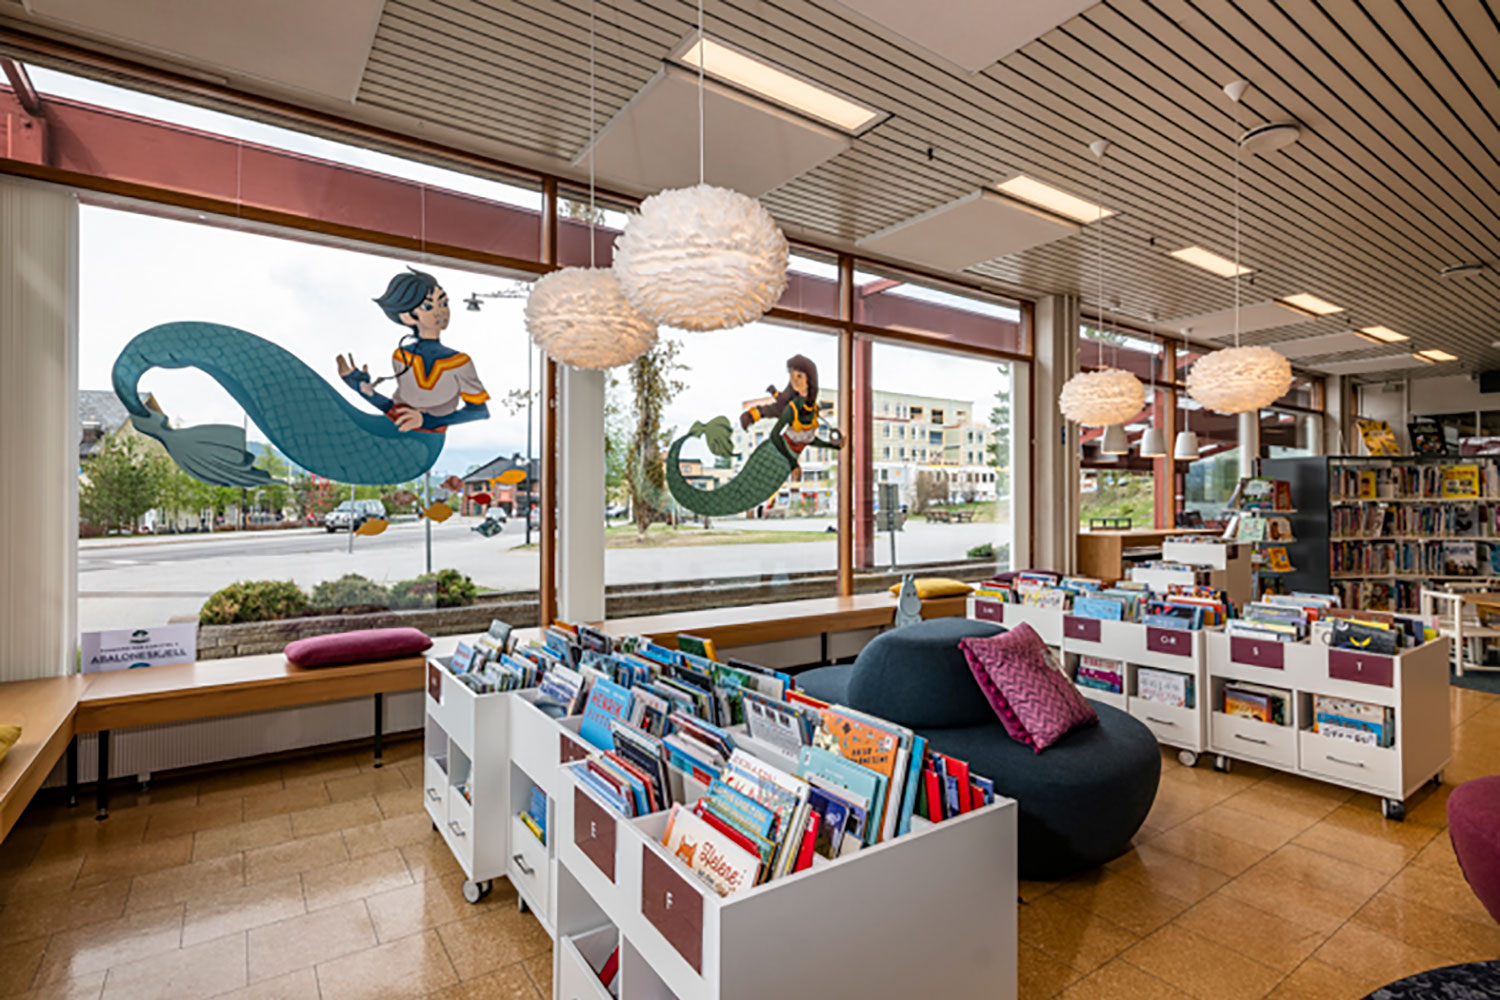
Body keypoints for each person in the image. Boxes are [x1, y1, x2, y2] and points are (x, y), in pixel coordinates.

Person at [336, 268, 490, 434]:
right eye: (428, 306)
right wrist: (361, 388)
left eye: (443, 303)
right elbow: (394, 409)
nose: (440, 312)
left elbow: (479, 411)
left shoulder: (460, 362)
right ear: (407, 316)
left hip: (427, 439)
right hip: (394, 429)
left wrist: (425, 421)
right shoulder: (401, 356)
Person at [738, 354, 843, 467]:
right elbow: (775, 428)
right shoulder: (792, 408)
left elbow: (809, 440)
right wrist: (754, 414)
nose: (794, 380)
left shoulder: (813, 408)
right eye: (791, 375)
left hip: (790, 456)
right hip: (779, 456)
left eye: (799, 376)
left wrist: (833, 446)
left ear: (810, 379)